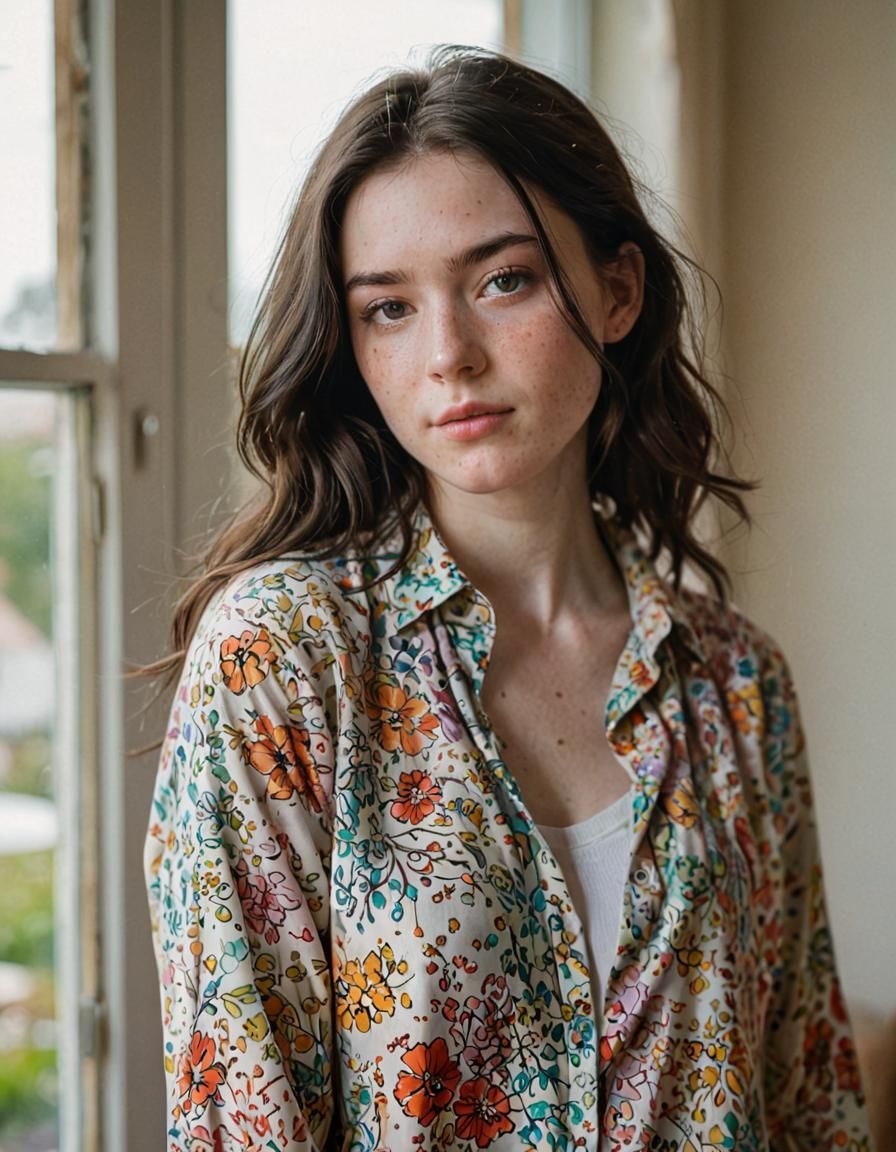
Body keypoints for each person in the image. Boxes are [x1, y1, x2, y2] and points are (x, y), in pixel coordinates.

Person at [143, 45, 872, 1152]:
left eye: (502, 280)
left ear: (616, 290)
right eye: (387, 308)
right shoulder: (282, 660)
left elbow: (812, 1104)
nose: (448, 355)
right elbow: (238, 1119)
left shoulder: (737, 684)